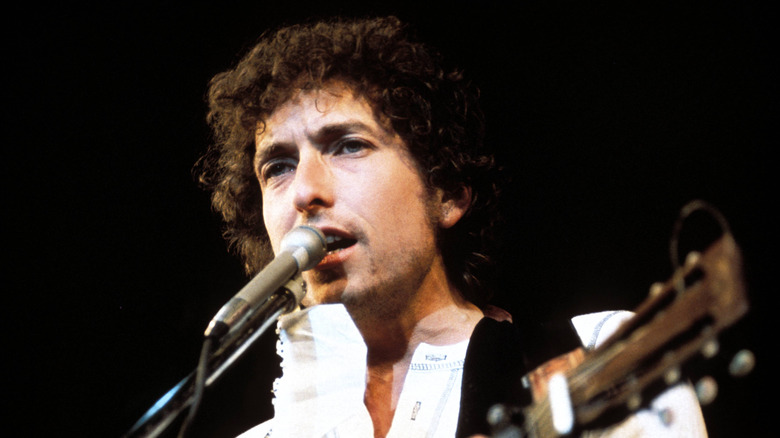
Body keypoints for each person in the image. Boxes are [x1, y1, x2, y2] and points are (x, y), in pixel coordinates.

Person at [198, 16, 707, 437]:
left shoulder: (597, 352)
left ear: (446, 193)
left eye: (349, 144)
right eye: (278, 167)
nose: (306, 190)